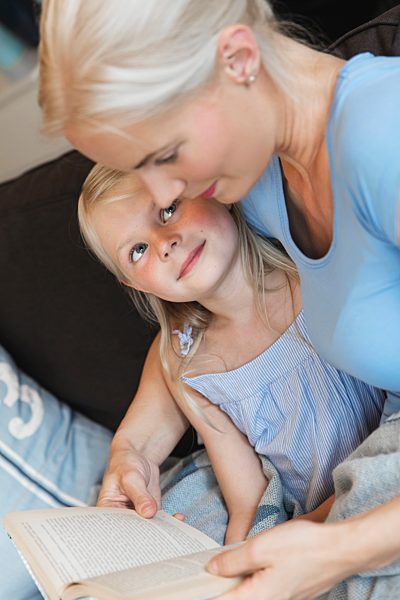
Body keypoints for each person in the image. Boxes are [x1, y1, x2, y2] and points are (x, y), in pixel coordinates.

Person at [38, 0, 400, 597]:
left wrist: (337, 546)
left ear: (236, 60)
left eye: (164, 155)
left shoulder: (382, 135)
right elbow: (193, 340)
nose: (164, 194)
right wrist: (134, 446)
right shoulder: (258, 183)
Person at [78, 163, 383, 543]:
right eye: (138, 250)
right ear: (134, 285)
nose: (164, 243)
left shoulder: (312, 274)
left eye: (168, 209)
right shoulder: (195, 371)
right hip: (309, 534)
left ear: (209, 188)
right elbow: (249, 506)